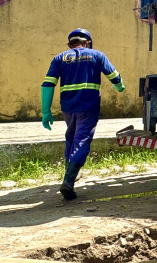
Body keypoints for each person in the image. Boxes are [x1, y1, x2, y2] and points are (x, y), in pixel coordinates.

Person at [41, 28, 125, 200]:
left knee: (71, 138)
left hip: (68, 108)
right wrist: (120, 87)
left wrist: (46, 112)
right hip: (88, 106)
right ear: (88, 42)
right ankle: (68, 181)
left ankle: (70, 173)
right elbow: (114, 77)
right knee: (82, 139)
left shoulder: (59, 58)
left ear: (69, 44)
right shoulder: (97, 55)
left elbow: (48, 84)